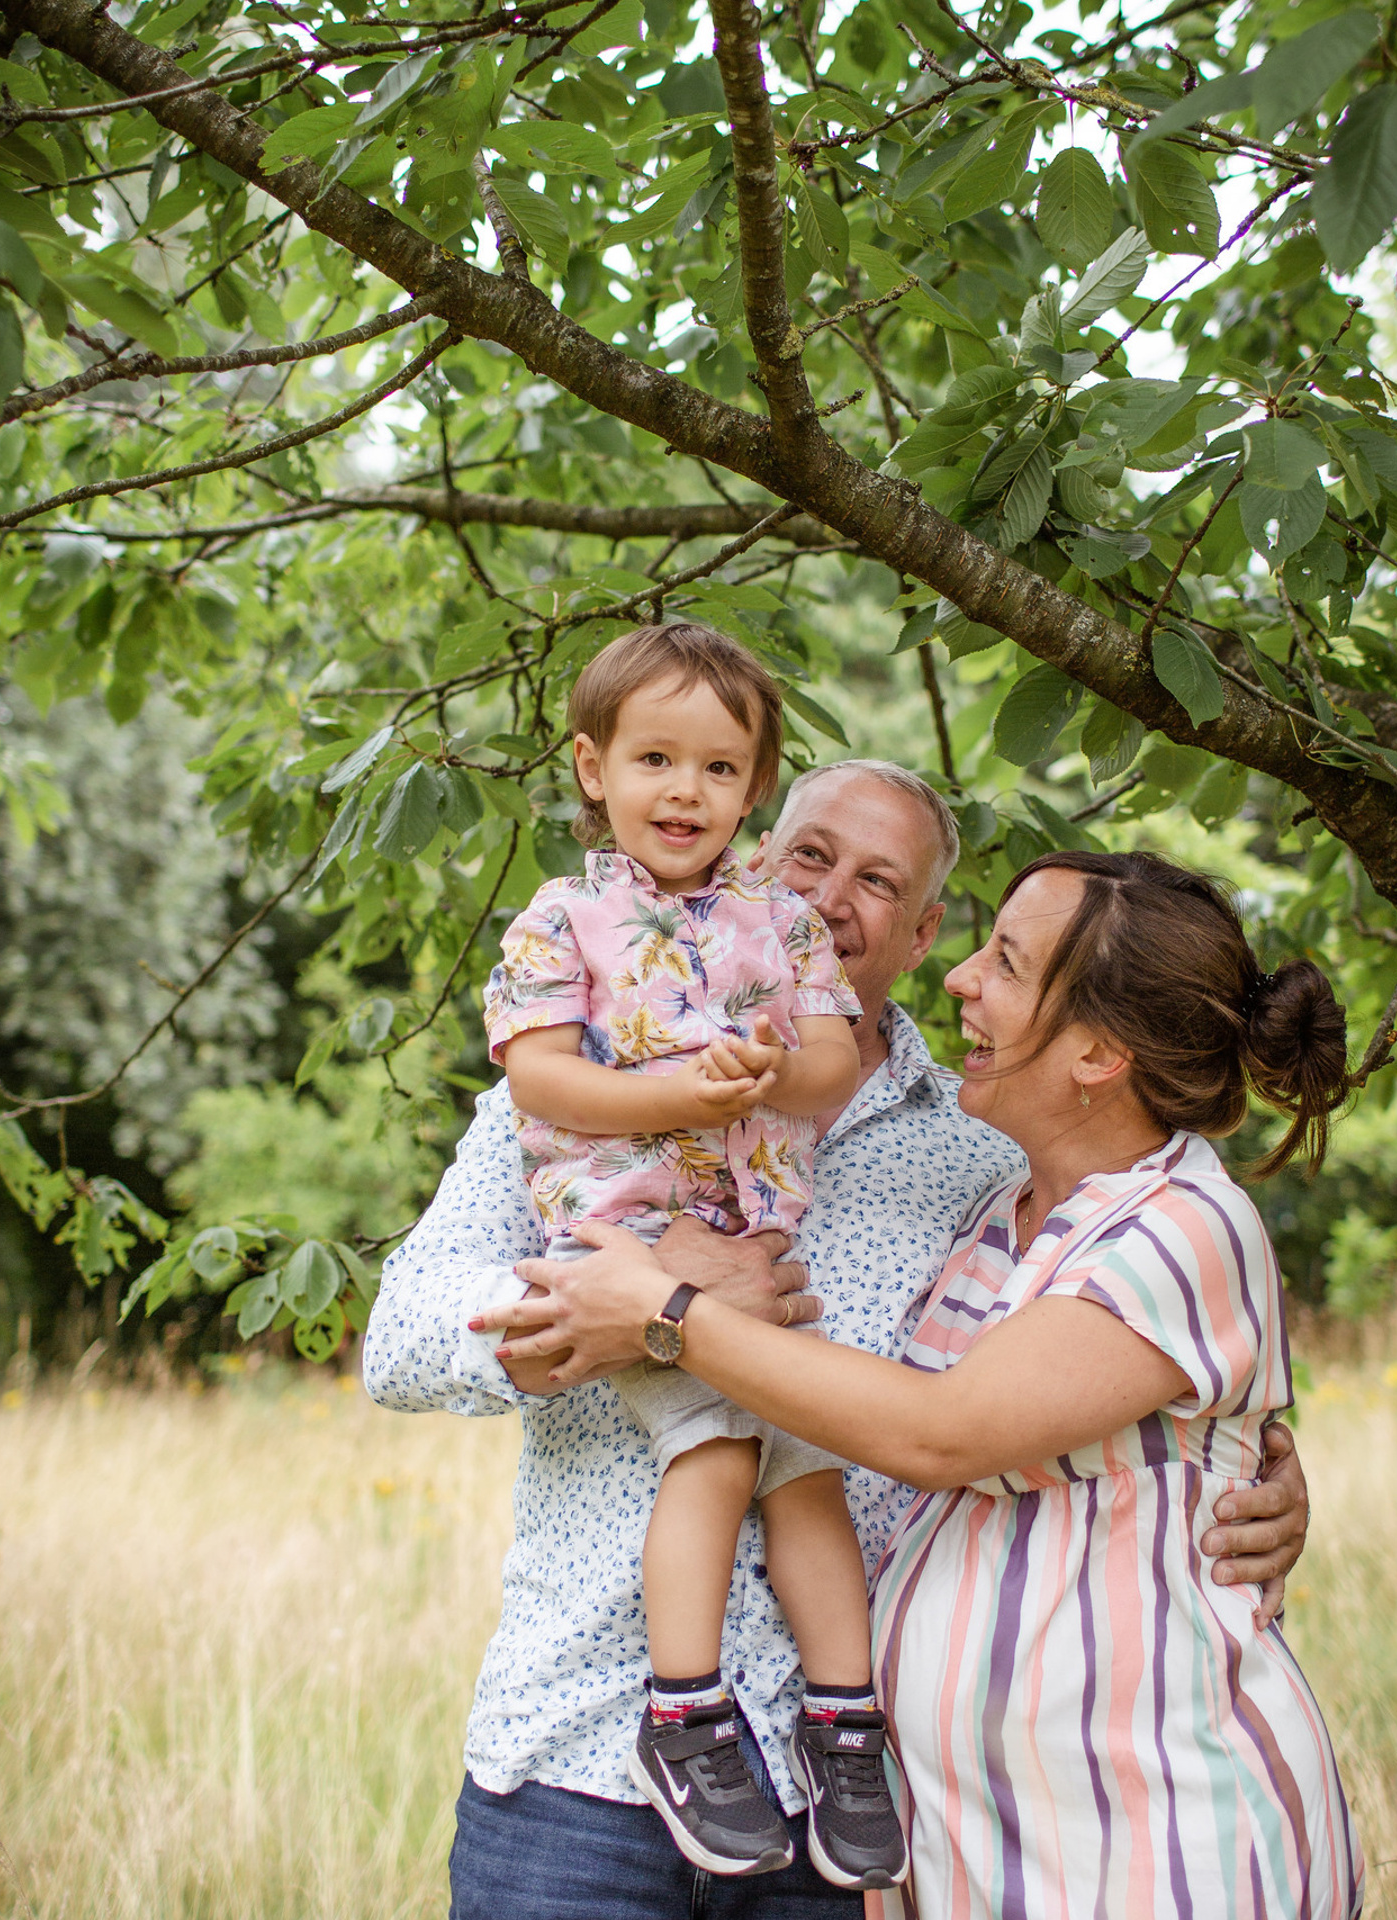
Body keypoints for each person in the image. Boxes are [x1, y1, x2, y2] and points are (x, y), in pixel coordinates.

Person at [365, 768, 1313, 1920]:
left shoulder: (988, 1148)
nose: (828, 899)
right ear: (753, 865)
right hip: (580, 1758)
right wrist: (607, 1312)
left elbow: (1099, 1386)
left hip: (850, 1797)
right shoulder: (576, 1089)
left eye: (879, 882)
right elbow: (402, 1339)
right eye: (808, 858)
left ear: (920, 936)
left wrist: (1258, 1472)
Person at [484, 622, 897, 1887]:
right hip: (628, 1235)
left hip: (752, 1247)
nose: (686, 791)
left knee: (808, 1472)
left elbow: (829, 1062)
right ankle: (687, 1709)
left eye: (719, 769)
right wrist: (686, 1096)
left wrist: (776, 1065)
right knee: (715, 1455)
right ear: (592, 764)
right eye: (656, 758)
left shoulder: (781, 922)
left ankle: (845, 1720)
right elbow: (536, 1077)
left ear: (755, 789)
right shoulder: (566, 916)